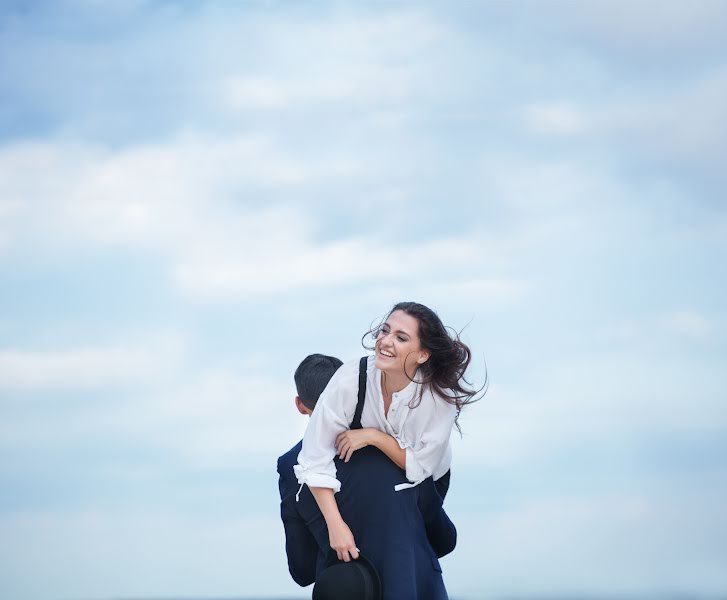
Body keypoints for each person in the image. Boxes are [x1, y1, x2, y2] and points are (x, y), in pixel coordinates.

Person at [294, 302, 479, 564]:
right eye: (385, 330)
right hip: (370, 475)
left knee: (421, 551)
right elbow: (314, 458)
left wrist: (374, 436)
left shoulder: (440, 398)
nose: (385, 341)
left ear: (422, 355)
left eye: (401, 337)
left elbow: (419, 468)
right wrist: (336, 527)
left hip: (427, 480)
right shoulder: (350, 378)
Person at [278, 353, 457, 597]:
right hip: (412, 587)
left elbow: (302, 570)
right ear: (345, 392)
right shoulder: (391, 448)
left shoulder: (290, 467)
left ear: (300, 405)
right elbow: (444, 539)